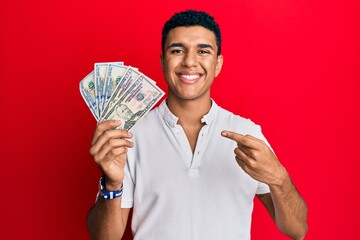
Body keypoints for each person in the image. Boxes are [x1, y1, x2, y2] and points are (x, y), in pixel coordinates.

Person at [87, 10, 308, 240]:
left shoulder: (247, 133)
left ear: (217, 64)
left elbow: (297, 230)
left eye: (203, 51)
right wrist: (112, 184)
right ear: (163, 61)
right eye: (177, 50)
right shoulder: (130, 136)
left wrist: (279, 178)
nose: (190, 61)